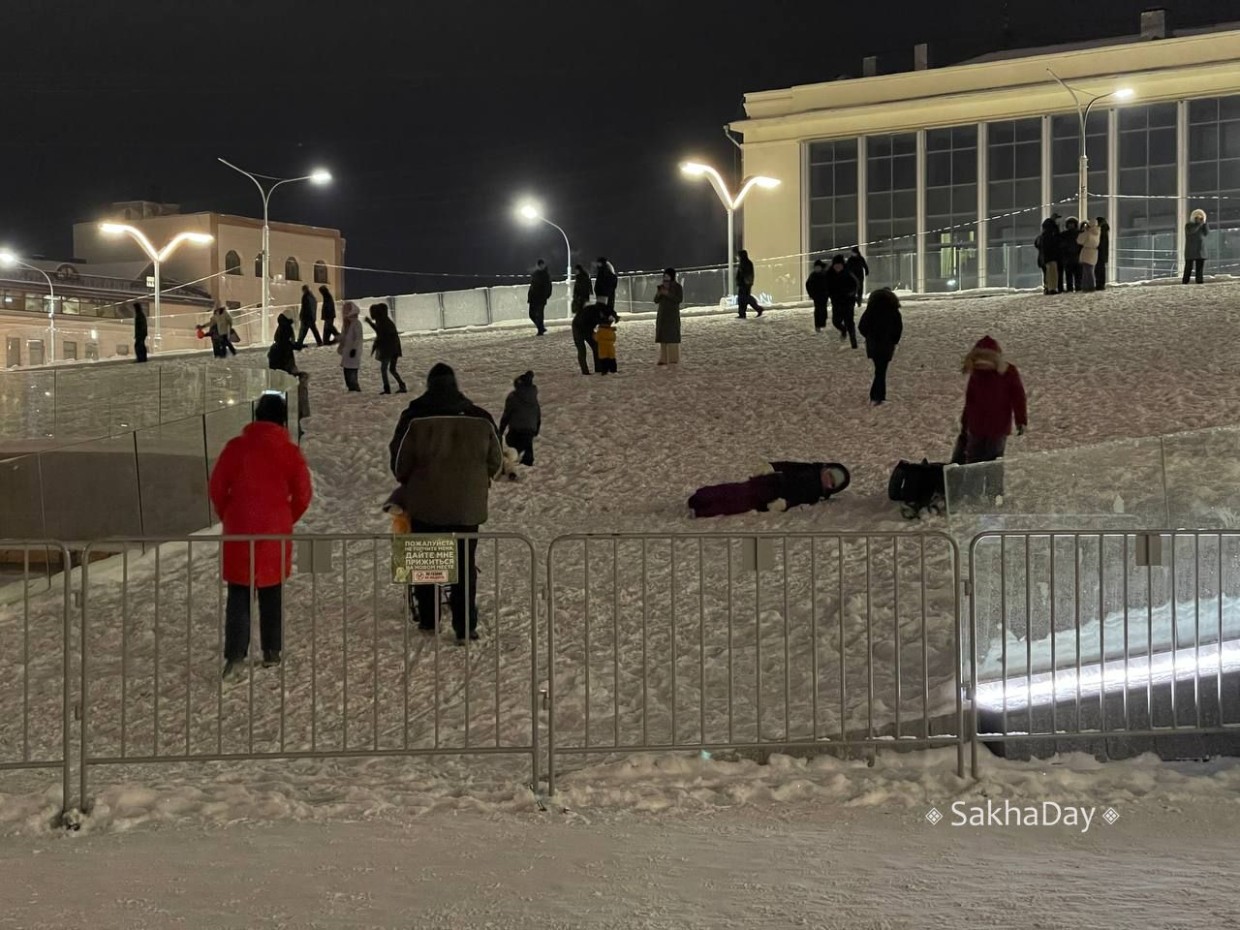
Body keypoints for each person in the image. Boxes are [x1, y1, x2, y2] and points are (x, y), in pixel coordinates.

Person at [388, 363, 503, 642]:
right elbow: (496, 462)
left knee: (427, 557)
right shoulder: (481, 418)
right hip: (468, 505)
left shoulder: (414, 418)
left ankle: (429, 619)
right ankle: (465, 626)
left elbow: (399, 463)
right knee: (465, 564)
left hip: (425, 502)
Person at [209, 392, 313, 680]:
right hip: (275, 530)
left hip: (240, 528)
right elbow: (303, 494)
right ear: (282, 420)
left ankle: (235, 655)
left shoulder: (236, 448)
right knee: (272, 589)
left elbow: (217, 486)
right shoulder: (289, 452)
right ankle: (272, 651)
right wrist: (285, 517)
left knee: (239, 592)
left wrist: (228, 513)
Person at [689, 461, 850, 518]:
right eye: (829, 475)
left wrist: (785, 504)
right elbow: (788, 465)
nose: (828, 480)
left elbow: (799, 499)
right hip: (770, 482)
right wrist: (772, 466)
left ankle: (702, 511)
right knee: (734, 490)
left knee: (738, 505)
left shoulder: (815, 494)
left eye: (832, 483)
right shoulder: (809, 468)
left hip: (774, 497)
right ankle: (699, 498)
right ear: (826, 469)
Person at [959, 335, 1027, 465]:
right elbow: (1018, 397)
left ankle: (979, 485)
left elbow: (970, 400)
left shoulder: (980, 372)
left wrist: (965, 422)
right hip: (991, 427)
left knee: (977, 462)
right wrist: (1021, 420)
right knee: (990, 463)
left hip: (987, 427)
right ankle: (988, 485)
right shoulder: (1005, 372)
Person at [857, 288, 903, 406]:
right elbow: (898, 328)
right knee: (881, 371)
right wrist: (894, 340)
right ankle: (877, 396)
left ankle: (877, 396)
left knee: (879, 370)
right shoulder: (893, 311)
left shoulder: (870, 310)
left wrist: (869, 336)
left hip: (873, 344)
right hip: (887, 344)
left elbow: (862, 326)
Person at [499, 370, 541, 466]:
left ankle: (518, 456)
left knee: (511, 440)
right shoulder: (533, 397)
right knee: (527, 440)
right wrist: (536, 429)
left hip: (516, 429)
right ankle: (527, 458)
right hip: (530, 428)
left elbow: (506, 415)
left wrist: (500, 430)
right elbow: (538, 413)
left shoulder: (512, 397)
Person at [366, 302, 407, 394]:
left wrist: (369, 323)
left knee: (384, 369)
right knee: (392, 369)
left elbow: (380, 334)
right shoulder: (384, 320)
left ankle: (387, 388)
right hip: (394, 349)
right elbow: (379, 331)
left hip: (389, 349)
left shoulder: (383, 322)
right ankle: (401, 385)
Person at [825, 254, 859, 348]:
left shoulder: (848, 273)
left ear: (843, 265)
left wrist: (851, 293)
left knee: (849, 322)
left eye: (839, 265)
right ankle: (843, 330)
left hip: (848, 301)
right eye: (836, 266)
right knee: (836, 321)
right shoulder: (829, 274)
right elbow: (826, 287)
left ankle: (854, 343)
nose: (837, 268)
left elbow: (855, 285)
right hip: (836, 302)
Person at [654, 267, 683, 366]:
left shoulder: (677, 287)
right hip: (663, 315)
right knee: (663, 338)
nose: (665, 277)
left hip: (672, 316)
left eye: (667, 275)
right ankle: (663, 358)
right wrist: (659, 293)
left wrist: (668, 294)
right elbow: (655, 300)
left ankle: (673, 359)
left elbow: (679, 299)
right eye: (664, 275)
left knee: (672, 337)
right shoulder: (661, 286)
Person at [571, 300, 603, 375]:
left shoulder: (598, 312)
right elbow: (585, 324)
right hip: (578, 328)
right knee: (582, 350)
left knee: (596, 346)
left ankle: (598, 368)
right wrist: (593, 333)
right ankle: (585, 371)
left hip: (585, 327)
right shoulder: (592, 313)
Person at [337, 301, 363, 392]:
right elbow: (343, 336)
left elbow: (358, 338)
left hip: (353, 351)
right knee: (347, 370)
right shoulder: (347, 324)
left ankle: (354, 387)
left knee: (352, 370)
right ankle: (351, 387)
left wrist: (354, 349)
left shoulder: (356, 323)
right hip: (347, 351)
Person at [1036, 214, 1062, 295]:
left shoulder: (1042, 236)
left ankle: (1047, 288)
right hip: (1051, 257)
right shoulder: (1051, 234)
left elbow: (1037, 245)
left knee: (1047, 273)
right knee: (1052, 273)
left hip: (1044, 258)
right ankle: (1052, 288)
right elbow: (1057, 242)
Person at [1183, 209, 1209, 284]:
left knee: (1199, 268)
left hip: (1200, 250)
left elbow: (1206, 233)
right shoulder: (1188, 225)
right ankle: (1185, 281)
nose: (1199, 219)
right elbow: (1192, 231)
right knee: (1188, 267)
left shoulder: (1202, 225)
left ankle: (1199, 281)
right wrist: (1198, 224)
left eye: (1200, 218)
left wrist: (1204, 223)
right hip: (1190, 250)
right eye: (1197, 218)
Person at [735, 249, 764, 318]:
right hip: (744, 283)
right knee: (743, 299)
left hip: (745, 284)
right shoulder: (744, 263)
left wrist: (744, 281)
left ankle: (758, 309)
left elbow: (745, 274)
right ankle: (742, 313)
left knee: (745, 298)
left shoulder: (746, 263)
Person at [527, 259, 552, 336]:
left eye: (541, 265)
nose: (540, 266)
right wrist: (529, 296)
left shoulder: (545, 275)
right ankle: (541, 328)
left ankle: (540, 330)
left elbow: (548, 286)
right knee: (531, 314)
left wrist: (546, 295)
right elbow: (532, 286)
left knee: (540, 314)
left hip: (541, 297)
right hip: (533, 297)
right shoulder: (535, 274)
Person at [805, 259, 830, 332]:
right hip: (816, 296)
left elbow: (829, 284)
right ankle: (818, 325)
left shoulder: (825, 274)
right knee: (818, 310)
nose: (817, 269)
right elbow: (808, 285)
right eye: (816, 267)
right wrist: (811, 294)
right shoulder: (813, 275)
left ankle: (822, 323)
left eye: (818, 267)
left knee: (823, 309)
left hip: (824, 295)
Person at [1076, 220, 1101, 292]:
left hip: (1087, 252)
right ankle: (1091, 286)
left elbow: (1079, 240)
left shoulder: (1088, 233)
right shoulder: (1097, 232)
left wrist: (1083, 231)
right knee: (1091, 270)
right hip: (1094, 252)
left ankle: (1087, 286)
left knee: (1086, 271)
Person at [1059, 217, 1082, 293]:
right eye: (1070, 224)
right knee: (1075, 275)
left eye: (1072, 224)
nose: (1071, 225)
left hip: (1070, 258)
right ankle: (1076, 288)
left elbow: (1061, 245)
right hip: (1074, 257)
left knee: (1073, 275)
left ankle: (1072, 288)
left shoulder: (1064, 235)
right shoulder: (1080, 233)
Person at [845, 246, 870, 312]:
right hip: (853, 277)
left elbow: (865, 265)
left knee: (860, 289)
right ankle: (854, 300)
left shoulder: (860, 258)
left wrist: (867, 271)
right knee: (853, 289)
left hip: (859, 276)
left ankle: (859, 301)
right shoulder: (851, 259)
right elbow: (847, 267)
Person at [595, 306, 618, 375]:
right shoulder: (611, 331)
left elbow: (596, 338)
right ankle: (613, 370)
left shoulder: (600, 331)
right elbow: (614, 338)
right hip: (610, 348)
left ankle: (604, 371)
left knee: (604, 361)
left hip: (602, 349)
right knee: (612, 360)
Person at [1094, 216, 1110, 291]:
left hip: (1099, 252)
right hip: (1103, 253)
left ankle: (1099, 284)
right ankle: (1101, 284)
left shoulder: (1100, 231)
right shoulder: (1105, 230)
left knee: (1098, 269)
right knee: (1101, 269)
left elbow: (1100, 243)